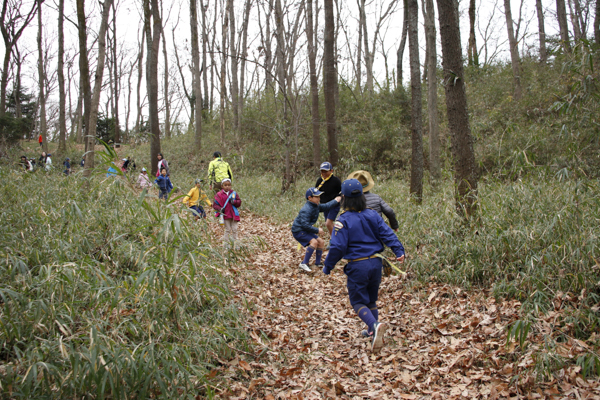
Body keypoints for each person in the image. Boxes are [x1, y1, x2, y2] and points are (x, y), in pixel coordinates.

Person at [323, 179, 405, 354]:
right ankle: (372, 332)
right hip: (376, 264)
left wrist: (328, 266)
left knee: (358, 301)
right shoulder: (373, 215)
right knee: (371, 299)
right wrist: (398, 250)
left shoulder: (343, 220)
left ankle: (374, 326)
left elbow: (337, 247)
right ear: (362, 197)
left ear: (343, 198)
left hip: (358, 266)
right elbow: (387, 232)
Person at [291, 187, 342, 272]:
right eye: (317, 197)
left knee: (321, 242)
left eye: (319, 197)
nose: (319, 199)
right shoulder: (306, 209)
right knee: (314, 242)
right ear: (309, 198)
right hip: (299, 231)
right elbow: (304, 225)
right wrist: (317, 230)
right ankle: (304, 263)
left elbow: (326, 206)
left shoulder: (315, 206)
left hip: (305, 230)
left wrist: (336, 200)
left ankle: (318, 263)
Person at [315, 161, 342, 239]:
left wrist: (339, 198)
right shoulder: (320, 181)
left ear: (331, 171)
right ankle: (337, 237)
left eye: (326, 171)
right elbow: (316, 192)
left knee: (328, 223)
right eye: (322, 171)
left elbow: (341, 192)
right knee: (329, 224)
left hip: (334, 205)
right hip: (324, 206)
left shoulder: (336, 181)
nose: (323, 173)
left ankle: (334, 241)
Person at [213, 178, 241, 248]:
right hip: (225, 215)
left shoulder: (234, 193)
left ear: (231, 185)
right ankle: (226, 245)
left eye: (229, 185)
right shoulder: (219, 194)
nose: (227, 186)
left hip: (234, 214)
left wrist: (234, 202)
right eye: (225, 185)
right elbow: (215, 205)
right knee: (227, 230)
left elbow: (239, 202)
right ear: (222, 186)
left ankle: (236, 244)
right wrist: (220, 209)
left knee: (235, 229)